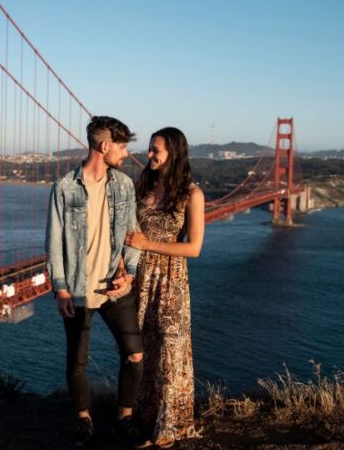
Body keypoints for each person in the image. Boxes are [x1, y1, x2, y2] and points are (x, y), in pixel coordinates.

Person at [45, 115, 147, 448]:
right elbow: (54, 242)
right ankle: (83, 421)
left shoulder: (124, 185)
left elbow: (133, 235)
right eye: (122, 145)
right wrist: (60, 288)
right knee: (77, 362)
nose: (127, 152)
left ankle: (125, 417)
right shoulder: (63, 188)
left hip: (115, 288)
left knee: (135, 354)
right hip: (77, 288)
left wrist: (129, 274)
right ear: (104, 146)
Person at [124, 127, 205, 448]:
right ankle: (145, 421)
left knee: (171, 352)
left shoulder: (192, 194)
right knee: (145, 352)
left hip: (171, 281)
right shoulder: (142, 186)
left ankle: (170, 428)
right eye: (149, 149)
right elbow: (128, 235)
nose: (149, 155)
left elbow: (194, 248)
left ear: (174, 152)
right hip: (140, 279)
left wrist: (147, 243)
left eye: (156, 150)